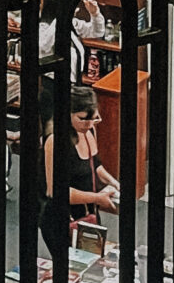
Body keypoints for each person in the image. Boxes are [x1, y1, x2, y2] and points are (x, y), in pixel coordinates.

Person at [40, 85, 119, 260]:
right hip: (62, 219)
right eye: (83, 119)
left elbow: (94, 164)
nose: (89, 124)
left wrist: (114, 182)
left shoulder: (89, 129)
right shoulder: (55, 141)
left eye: (93, 118)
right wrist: (97, 198)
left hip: (88, 214)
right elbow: (57, 191)